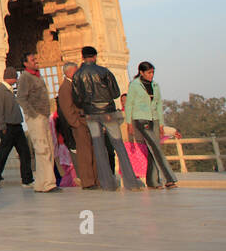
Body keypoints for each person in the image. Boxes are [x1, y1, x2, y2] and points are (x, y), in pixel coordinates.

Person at [71, 46, 143, 191]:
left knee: (98, 148)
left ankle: (107, 184)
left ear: (82, 57)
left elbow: (76, 99)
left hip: (90, 114)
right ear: (95, 56)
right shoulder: (104, 71)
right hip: (108, 113)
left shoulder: (77, 75)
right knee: (119, 146)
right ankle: (131, 182)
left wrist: (87, 104)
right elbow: (116, 93)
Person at [16, 52, 58, 192]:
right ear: (25, 63)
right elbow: (21, 98)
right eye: (32, 60)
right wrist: (33, 114)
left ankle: (42, 182)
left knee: (48, 149)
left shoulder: (37, 76)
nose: (36, 61)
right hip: (36, 117)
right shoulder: (25, 77)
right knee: (42, 149)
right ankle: (48, 184)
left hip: (44, 116)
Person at [0, 68, 31, 188]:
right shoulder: (0, 91)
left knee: (24, 152)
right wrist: (2, 127)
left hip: (17, 126)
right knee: (3, 154)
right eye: (15, 77)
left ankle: (27, 179)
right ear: (10, 77)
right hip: (8, 127)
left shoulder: (10, 90)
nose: (16, 80)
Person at [57, 61, 97, 189]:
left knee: (92, 151)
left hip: (86, 121)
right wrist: (76, 123)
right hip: (79, 124)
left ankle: (95, 178)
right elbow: (67, 109)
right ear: (69, 72)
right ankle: (87, 181)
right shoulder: (65, 87)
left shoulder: (77, 84)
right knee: (84, 154)